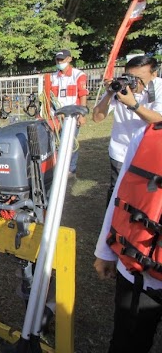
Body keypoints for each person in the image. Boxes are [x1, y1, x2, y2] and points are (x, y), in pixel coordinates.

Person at [94, 125, 162, 353]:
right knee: (128, 343)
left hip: (140, 271)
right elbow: (121, 192)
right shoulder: (145, 135)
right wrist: (105, 252)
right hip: (138, 274)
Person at [92, 55, 162, 205]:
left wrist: (133, 104)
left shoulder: (160, 87)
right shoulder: (120, 87)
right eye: (131, 77)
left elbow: (158, 119)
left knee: (145, 194)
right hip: (121, 151)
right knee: (117, 192)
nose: (134, 83)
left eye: (139, 78)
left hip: (149, 152)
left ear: (154, 74)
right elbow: (97, 118)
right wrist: (110, 93)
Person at [49, 49, 89, 178]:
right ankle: (56, 166)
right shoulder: (53, 77)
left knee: (71, 142)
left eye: (62, 59)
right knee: (55, 142)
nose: (60, 62)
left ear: (69, 59)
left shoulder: (78, 75)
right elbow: (50, 96)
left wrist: (81, 114)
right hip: (57, 115)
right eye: (58, 60)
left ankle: (71, 169)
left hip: (72, 115)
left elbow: (82, 94)